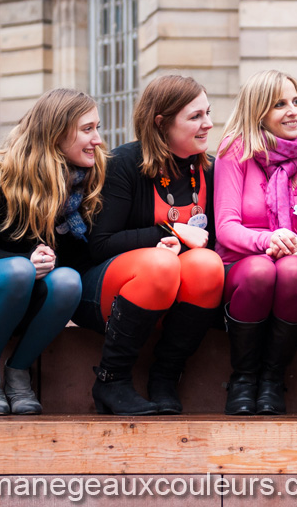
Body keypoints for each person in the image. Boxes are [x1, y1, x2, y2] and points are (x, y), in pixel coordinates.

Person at [0, 88, 103, 415]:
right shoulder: (0, 178)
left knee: (69, 280)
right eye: (87, 129)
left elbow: (79, 260)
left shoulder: (84, 187)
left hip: (29, 297)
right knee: (17, 271)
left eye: (97, 127)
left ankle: (18, 372)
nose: (97, 138)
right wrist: (25, 261)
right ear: (56, 133)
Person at [79, 76, 225, 416]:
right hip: (110, 293)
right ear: (161, 123)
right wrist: (168, 231)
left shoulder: (211, 169)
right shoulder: (124, 164)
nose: (209, 124)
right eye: (195, 117)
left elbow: (212, 243)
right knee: (161, 264)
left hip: (176, 301)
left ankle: (165, 377)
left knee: (207, 265)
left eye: (208, 113)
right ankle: (111, 380)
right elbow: (99, 244)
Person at [215, 70, 297, 416]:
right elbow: (226, 227)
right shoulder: (236, 151)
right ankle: (244, 377)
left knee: (294, 271)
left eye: (296, 101)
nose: (293, 111)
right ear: (258, 112)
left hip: (288, 258)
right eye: (280, 104)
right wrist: (267, 240)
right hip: (242, 263)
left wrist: (292, 250)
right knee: (262, 270)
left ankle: (273, 378)